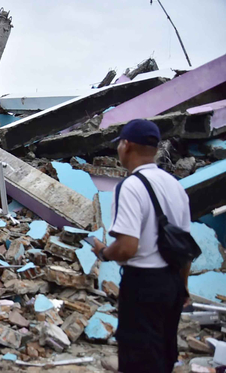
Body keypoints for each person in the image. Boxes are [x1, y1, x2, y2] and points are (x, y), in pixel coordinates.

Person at [90, 119, 191, 373]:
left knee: (138, 359)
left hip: (143, 285)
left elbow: (126, 247)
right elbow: (185, 248)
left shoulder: (130, 186)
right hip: (172, 284)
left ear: (126, 145)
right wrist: (183, 288)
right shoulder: (175, 186)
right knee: (163, 356)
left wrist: (103, 252)